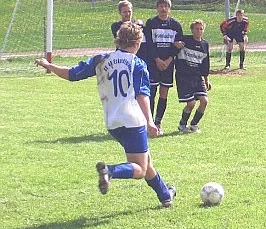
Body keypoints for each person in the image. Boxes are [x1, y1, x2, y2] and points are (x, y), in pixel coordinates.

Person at [35, 21, 176, 207]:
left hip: (112, 122)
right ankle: (110, 171)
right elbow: (142, 94)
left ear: (118, 40)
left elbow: (71, 74)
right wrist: (150, 122)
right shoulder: (138, 63)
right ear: (138, 42)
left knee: (146, 162)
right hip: (133, 120)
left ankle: (166, 196)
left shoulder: (101, 59)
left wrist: (48, 65)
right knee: (140, 169)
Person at [144, 0, 183, 135]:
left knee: (164, 93)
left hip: (168, 64)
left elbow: (179, 44)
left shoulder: (176, 25)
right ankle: (148, 123)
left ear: (169, 8)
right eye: (160, 6)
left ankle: (158, 122)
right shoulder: (151, 23)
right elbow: (149, 44)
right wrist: (157, 59)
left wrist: (168, 59)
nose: (163, 9)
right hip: (154, 64)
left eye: (166, 6)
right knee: (151, 93)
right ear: (157, 8)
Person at [174, 20, 211, 134]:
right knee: (191, 103)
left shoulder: (205, 44)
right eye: (196, 28)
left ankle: (194, 124)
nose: (199, 31)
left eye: (201, 29)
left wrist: (206, 79)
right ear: (192, 30)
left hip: (197, 77)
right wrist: (175, 45)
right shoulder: (185, 40)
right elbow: (174, 47)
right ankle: (182, 124)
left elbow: (205, 63)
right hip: (184, 76)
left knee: (204, 100)